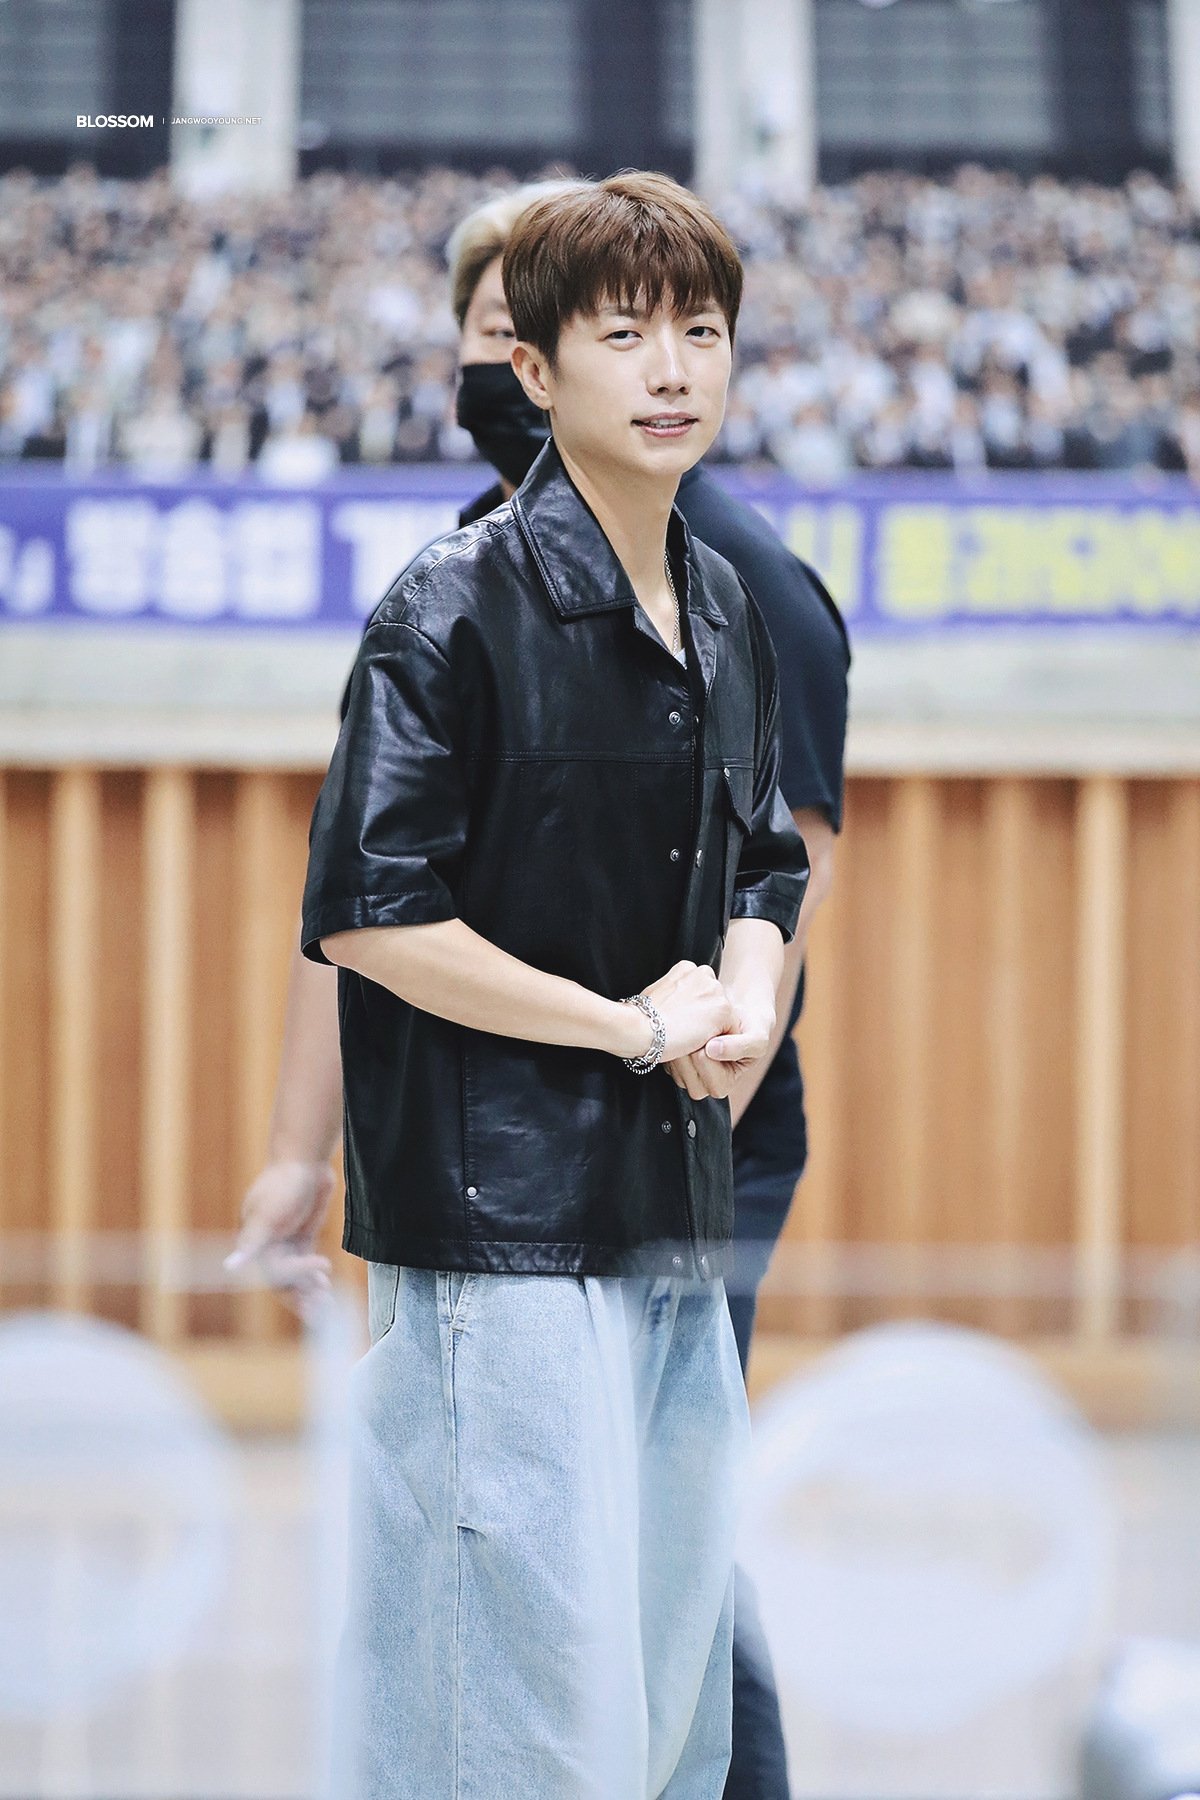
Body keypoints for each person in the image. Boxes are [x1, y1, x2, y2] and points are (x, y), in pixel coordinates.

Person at [230, 177, 847, 1800]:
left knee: (662, 1705)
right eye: (624, 335)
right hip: (497, 1227)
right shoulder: (450, 602)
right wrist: (630, 1027)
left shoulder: (727, 601)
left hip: (669, 1204)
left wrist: (748, 987)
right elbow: (370, 915)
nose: (673, 369)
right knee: (502, 1720)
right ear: (534, 366)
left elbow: (769, 861)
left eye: (700, 331)